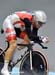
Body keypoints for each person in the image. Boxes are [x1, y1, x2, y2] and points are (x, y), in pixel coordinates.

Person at [1, 10, 49, 75]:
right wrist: (41, 38)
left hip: (17, 26)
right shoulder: (28, 20)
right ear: (35, 19)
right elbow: (31, 36)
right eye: (40, 23)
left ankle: (13, 52)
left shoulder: (35, 23)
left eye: (42, 24)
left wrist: (41, 39)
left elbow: (33, 37)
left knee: (28, 40)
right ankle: (4, 69)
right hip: (8, 23)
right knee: (13, 44)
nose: (41, 25)